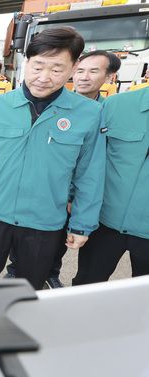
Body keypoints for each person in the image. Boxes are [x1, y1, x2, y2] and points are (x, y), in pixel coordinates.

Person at [0, 27, 106, 290]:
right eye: (37, 66)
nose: (44, 77)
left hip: (44, 221)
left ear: (73, 68)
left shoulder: (89, 114)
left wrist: (82, 223)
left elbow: (90, 173)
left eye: (56, 69)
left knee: (28, 289)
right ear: (26, 63)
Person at [5, 50, 121, 288]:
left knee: (61, 243)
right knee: (34, 238)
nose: (84, 77)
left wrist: (78, 200)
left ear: (110, 77)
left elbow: (93, 166)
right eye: (80, 70)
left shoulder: (110, 113)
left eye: (93, 71)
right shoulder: (47, 104)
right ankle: (19, 270)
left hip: (87, 195)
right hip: (50, 193)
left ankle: (50, 272)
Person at [73, 87, 148, 285]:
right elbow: (86, 159)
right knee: (86, 287)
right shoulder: (116, 105)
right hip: (105, 221)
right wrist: (74, 198)